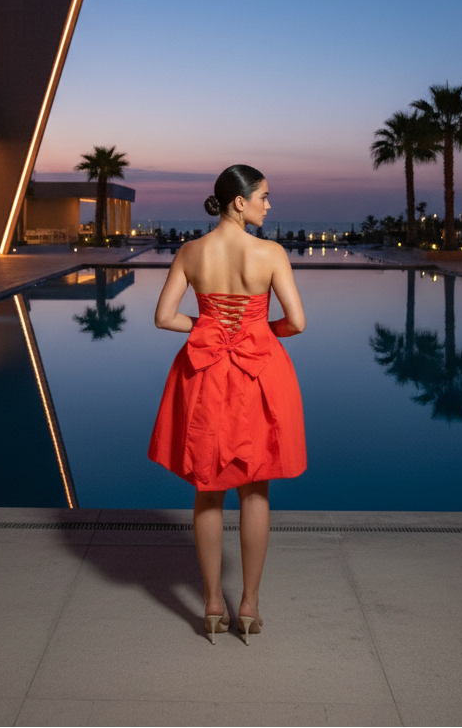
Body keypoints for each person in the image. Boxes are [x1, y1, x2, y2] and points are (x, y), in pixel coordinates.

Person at [148, 164, 307, 644]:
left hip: (206, 375)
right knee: (255, 489)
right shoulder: (270, 253)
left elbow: (163, 317)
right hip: (258, 375)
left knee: (207, 487)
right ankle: (250, 606)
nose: (268, 204)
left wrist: (206, 326)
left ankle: (212, 603)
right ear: (239, 201)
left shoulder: (191, 252)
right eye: (263, 196)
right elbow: (296, 322)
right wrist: (258, 333)